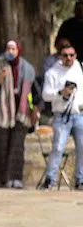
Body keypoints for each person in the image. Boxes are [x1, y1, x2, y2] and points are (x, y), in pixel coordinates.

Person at [38, 41, 83, 190]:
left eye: (72, 55)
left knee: (82, 147)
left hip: (79, 114)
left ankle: (80, 179)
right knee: (58, 147)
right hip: (61, 116)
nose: (69, 58)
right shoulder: (52, 73)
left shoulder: (79, 67)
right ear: (59, 56)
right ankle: (50, 179)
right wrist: (60, 93)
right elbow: (45, 95)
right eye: (65, 55)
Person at [0, 40, 37, 189]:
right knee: (3, 145)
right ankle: (5, 179)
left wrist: (36, 109)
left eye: (13, 49)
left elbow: (34, 91)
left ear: (18, 51)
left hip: (21, 111)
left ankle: (16, 178)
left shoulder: (28, 69)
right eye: (8, 48)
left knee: (17, 146)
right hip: (3, 111)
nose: (10, 51)